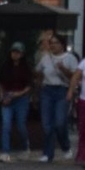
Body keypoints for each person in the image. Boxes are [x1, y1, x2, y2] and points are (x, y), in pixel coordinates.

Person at [35, 30, 78, 162]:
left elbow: (75, 77)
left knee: (60, 122)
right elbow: (37, 72)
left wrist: (64, 69)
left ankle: (65, 146)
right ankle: (47, 153)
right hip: (48, 90)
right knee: (47, 124)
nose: (53, 45)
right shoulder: (46, 58)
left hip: (62, 90)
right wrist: (39, 82)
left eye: (56, 43)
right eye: (51, 43)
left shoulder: (70, 58)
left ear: (62, 44)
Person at [0, 41, 34, 160]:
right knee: (6, 124)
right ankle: (5, 151)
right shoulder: (5, 66)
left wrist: (18, 94)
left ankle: (25, 146)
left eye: (17, 52)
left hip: (21, 98)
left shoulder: (26, 68)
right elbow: (0, 83)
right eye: (13, 52)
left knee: (21, 124)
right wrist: (2, 96)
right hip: (7, 97)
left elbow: (29, 85)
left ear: (22, 54)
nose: (15, 54)